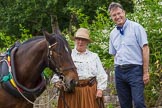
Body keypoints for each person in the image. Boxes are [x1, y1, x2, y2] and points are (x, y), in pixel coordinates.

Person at [52, 28, 108, 108]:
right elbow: (58, 72)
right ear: (75, 40)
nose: (80, 42)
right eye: (78, 39)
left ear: (87, 42)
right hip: (71, 92)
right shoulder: (68, 56)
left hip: (90, 91)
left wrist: (100, 89)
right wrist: (57, 81)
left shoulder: (94, 56)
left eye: (83, 40)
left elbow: (101, 74)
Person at [108, 2, 150, 108]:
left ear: (124, 12)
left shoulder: (136, 27)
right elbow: (114, 54)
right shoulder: (112, 34)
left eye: (119, 13)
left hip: (135, 70)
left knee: (139, 102)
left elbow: (145, 49)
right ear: (111, 17)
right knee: (124, 105)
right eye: (114, 15)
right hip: (119, 71)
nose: (117, 17)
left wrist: (145, 72)